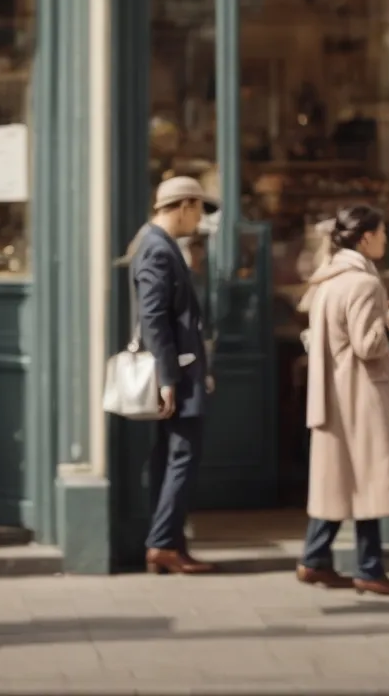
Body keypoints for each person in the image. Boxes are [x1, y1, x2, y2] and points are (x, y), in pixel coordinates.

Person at [294, 205, 389, 596]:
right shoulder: (363, 284)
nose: (385, 240)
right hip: (361, 393)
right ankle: (368, 569)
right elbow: (368, 344)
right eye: (381, 233)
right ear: (365, 238)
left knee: (346, 480)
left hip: (336, 392)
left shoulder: (328, 279)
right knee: (367, 481)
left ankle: (317, 559)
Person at [133, 175, 218, 575]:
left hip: (184, 370)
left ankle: (172, 543)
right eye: (199, 209)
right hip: (177, 375)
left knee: (174, 457)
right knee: (182, 456)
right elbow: (153, 318)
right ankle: (163, 543)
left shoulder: (160, 246)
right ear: (183, 206)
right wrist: (170, 378)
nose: (199, 219)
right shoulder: (157, 249)